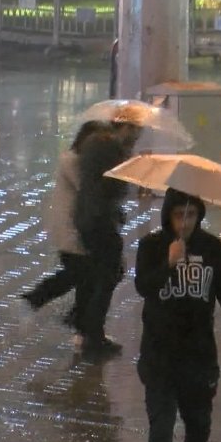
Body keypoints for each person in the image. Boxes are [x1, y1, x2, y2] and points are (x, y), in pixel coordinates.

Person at [134, 188, 221, 442]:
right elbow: (143, 286)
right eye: (179, 215)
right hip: (159, 354)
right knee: (162, 424)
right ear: (168, 216)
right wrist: (168, 264)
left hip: (198, 354)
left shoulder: (213, 249)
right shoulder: (152, 246)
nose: (185, 222)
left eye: (191, 215)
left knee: (199, 422)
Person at [21, 121, 108, 335]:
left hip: (77, 227)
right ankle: (39, 296)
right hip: (70, 228)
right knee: (80, 273)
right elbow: (87, 189)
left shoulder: (80, 161)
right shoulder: (72, 162)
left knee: (85, 275)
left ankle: (77, 318)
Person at [72, 121, 139, 357]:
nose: (138, 134)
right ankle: (92, 333)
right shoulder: (107, 146)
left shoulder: (97, 142)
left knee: (103, 273)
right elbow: (110, 184)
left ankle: (87, 326)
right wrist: (128, 163)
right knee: (111, 272)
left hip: (91, 216)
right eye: (135, 129)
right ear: (125, 126)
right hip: (98, 219)